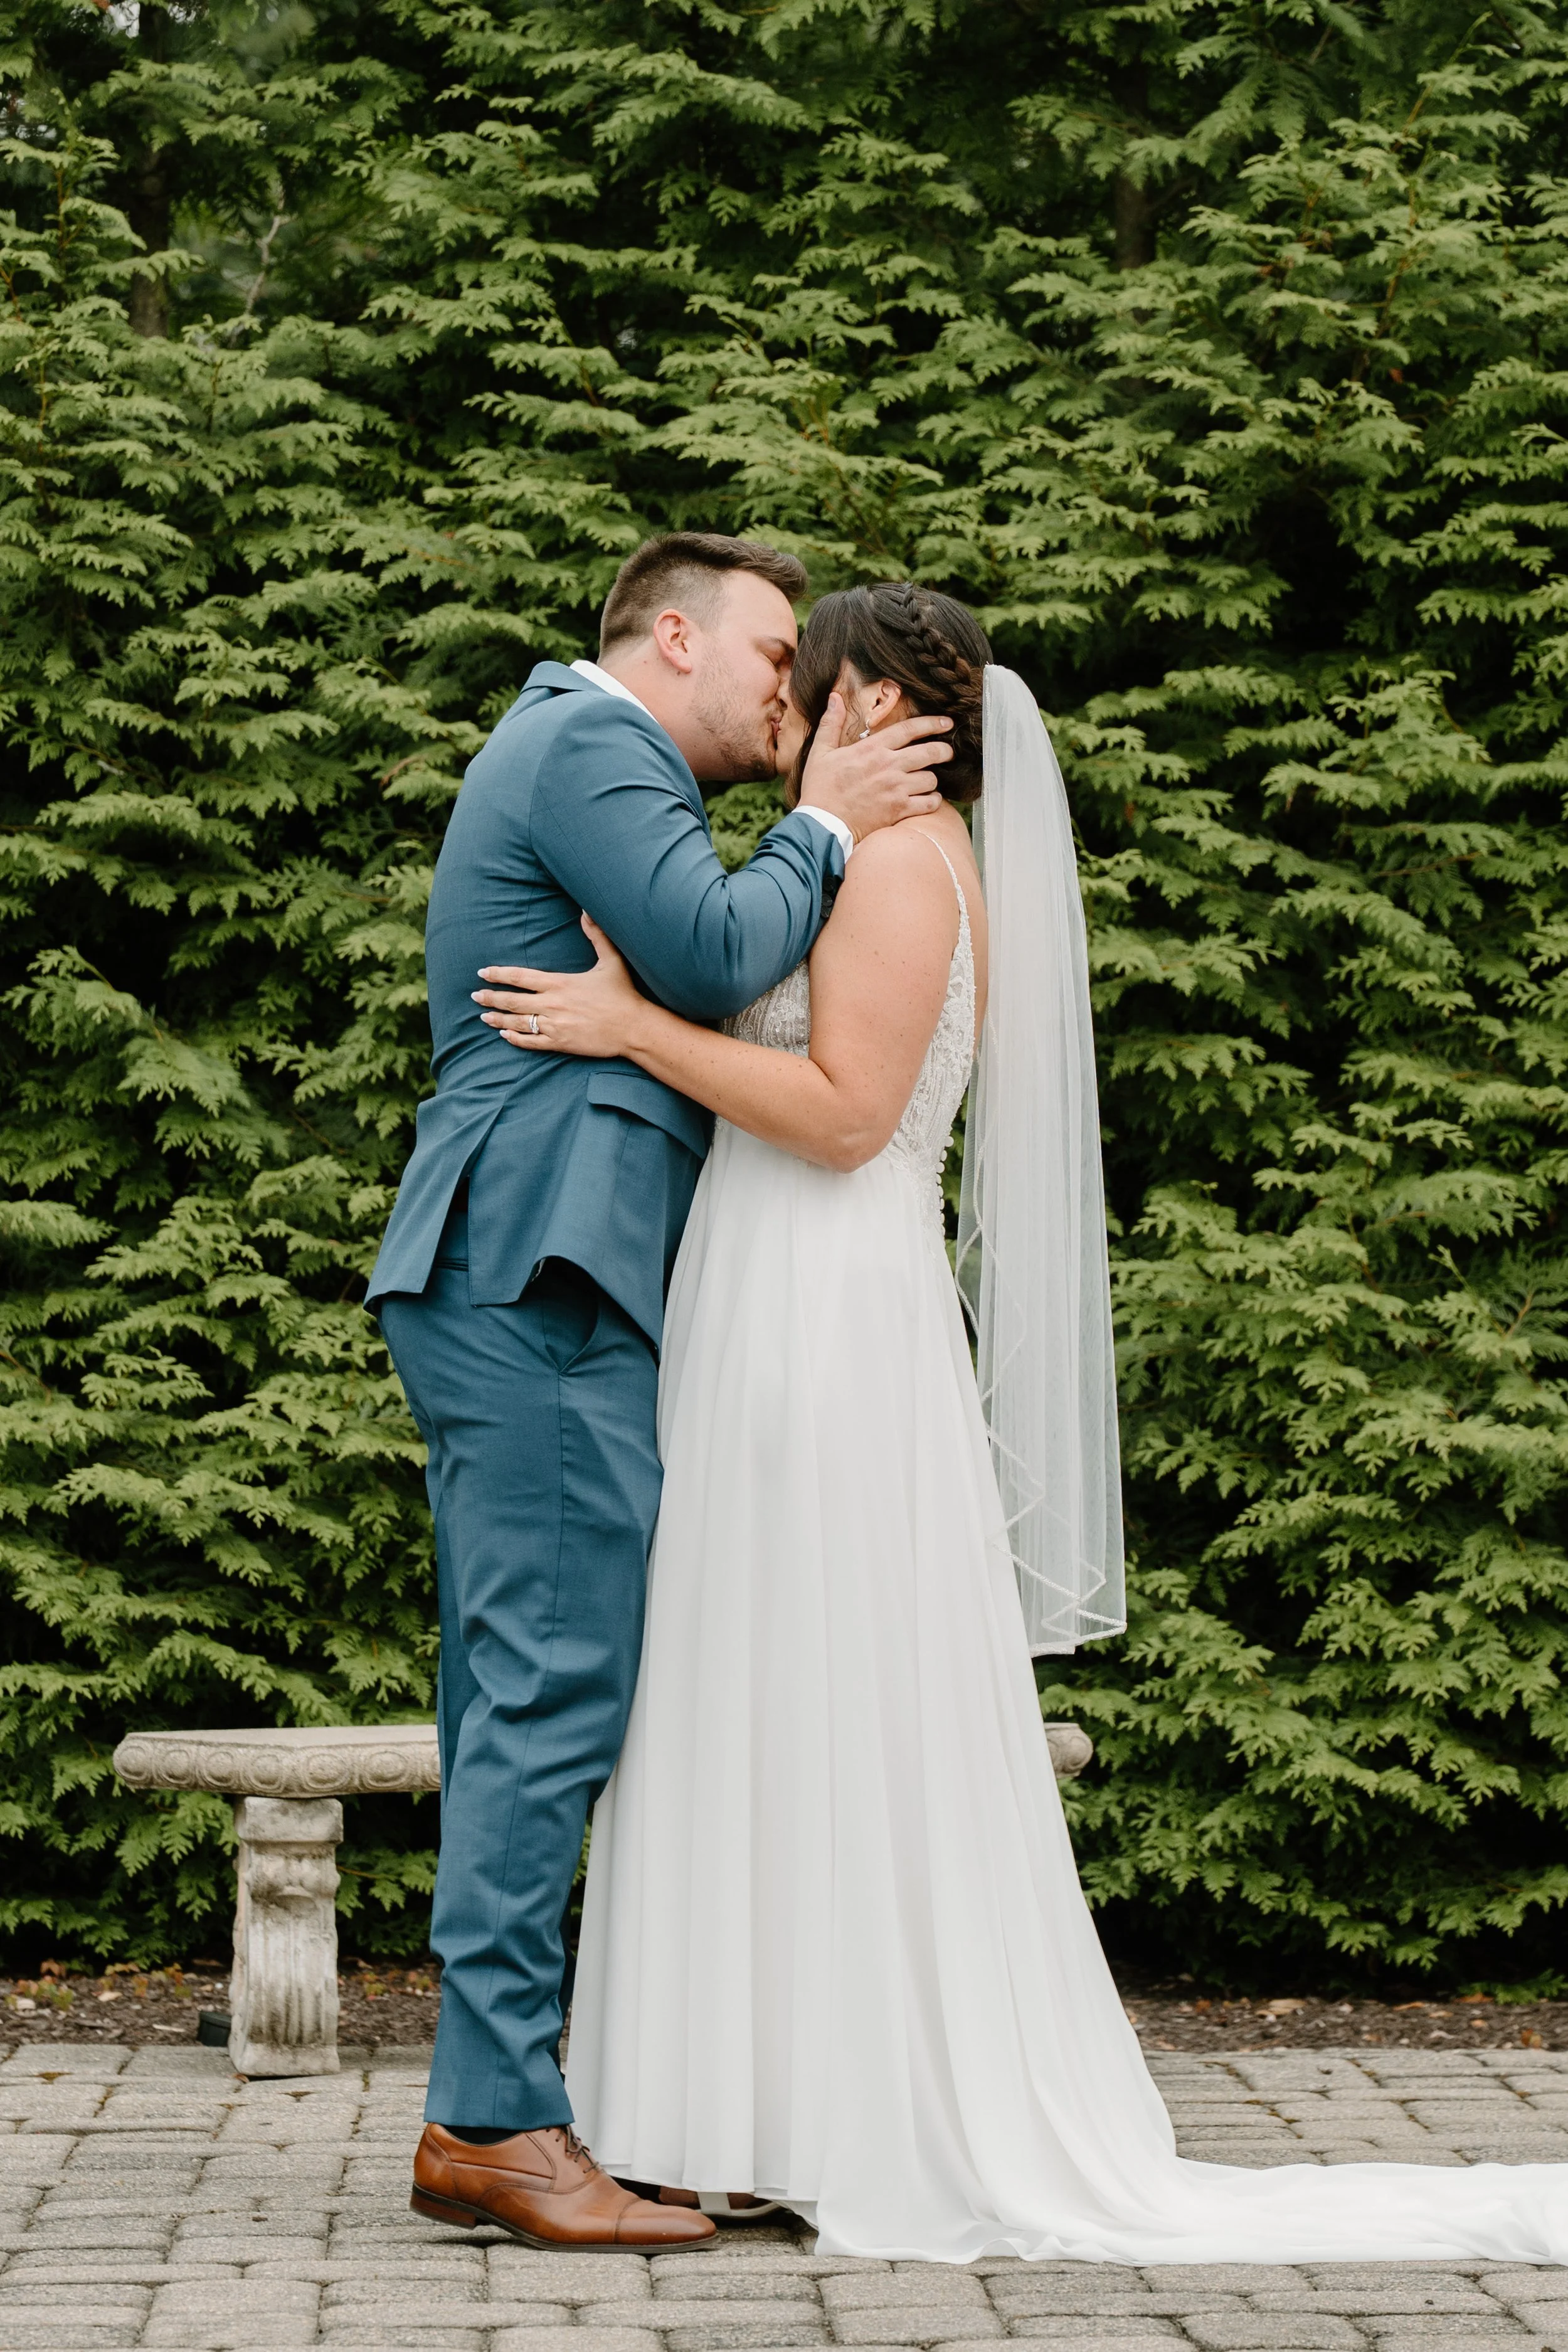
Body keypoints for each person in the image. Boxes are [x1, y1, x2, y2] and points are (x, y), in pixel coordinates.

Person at [473, 581, 1568, 2265]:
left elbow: (842, 1118)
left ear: (866, 711)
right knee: (756, 1688)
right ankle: (755, 2104)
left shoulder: (902, 867)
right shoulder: (844, 864)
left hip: (825, 1312)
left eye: (799, 685)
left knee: (818, 1693)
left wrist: (633, 1027)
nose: (778, 717)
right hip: (764, 1302)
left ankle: (841, 2105)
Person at [368, 534, 956, 2252]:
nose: (789, 693)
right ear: (673, 633)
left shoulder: (587, 756)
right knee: (549, 1686)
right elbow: (705, 955)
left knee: (521, 1686)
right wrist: (833, 819)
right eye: (772, 655)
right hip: (537, 1262)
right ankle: (493, 2119)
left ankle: (485, 2105)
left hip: (542, 1264)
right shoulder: (587, 740)